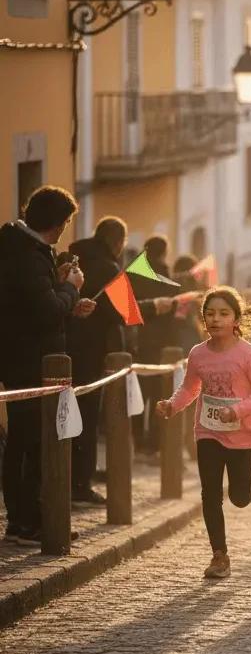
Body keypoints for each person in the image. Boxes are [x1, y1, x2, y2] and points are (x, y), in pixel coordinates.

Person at [156, 287, 251, 579]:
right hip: (208, 431)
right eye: (210, 314)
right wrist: (172, 405)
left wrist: (238, 410)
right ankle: (219, 555)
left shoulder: (247, 353)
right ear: (203, 318)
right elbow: (190, 387)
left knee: (239, 497)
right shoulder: (198, 353)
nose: (216, 319)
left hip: (241, 433)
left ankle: (250, 485)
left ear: (236, 319)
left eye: (223, 313)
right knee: (210, 493)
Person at [0, 187, 86, 545]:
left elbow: (37, 300)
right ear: (61, 223)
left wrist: (59, 286)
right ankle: (24, 523)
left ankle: (33, 518)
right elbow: (46, 312)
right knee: (27, 441)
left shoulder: (24, 247)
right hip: (29, 361)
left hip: (28, 358)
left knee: (32, 440)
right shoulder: (27, 254)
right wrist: (71, 289)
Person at [66, 216, 129, 505]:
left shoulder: (71, 259)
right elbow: (124, 312)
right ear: (118, 243)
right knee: (86, 417)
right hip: (91, 354)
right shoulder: (109, 268)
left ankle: (57, 479)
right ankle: (80, 483)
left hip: (60, 350)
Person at [131, 235, 179, 460]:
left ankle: (137, 442)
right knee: (159, 393)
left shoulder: (133, 271)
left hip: (136, 341)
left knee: (138, 393)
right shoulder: (162, 271)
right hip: (160, 342)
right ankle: (153, 445)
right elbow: (171, 307)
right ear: (164, 251)